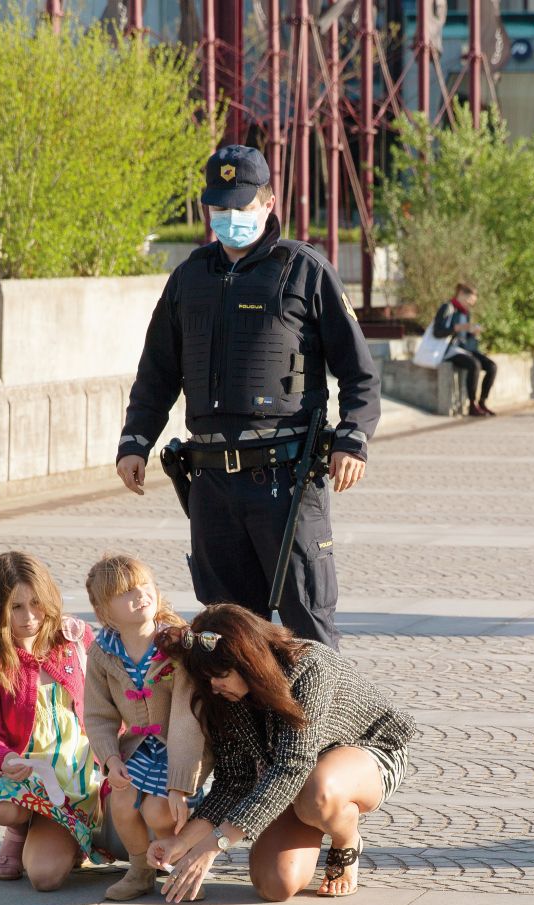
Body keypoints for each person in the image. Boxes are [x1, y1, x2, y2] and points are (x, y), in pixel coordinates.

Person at [115, 145, 381, 649]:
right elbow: (156, 374)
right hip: (212, 483)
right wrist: (135, 441)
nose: (230, 217)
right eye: (220, 208)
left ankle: (324, 727)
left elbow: (360, 373)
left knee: (308, 625)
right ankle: (241, 731)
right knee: (226, 634)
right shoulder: (189, 278)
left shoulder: (304, 270)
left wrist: (353, 438)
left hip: (285, 479)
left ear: (268, 202)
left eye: (241, 206)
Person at [148, 604, 416, 902]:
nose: (213, 686)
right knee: (275, 884)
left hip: (367, 752)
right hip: (292, 778)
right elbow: (234, 780)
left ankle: (345, 839)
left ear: (248, 661)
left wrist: (214, 845)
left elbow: (293, 766)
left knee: (319, 792)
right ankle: (314, 817)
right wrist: (181, 842)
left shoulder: (308, 666)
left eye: (220, 675)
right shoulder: (224, 694)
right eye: (207, 678)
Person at [0, 551, 107, 892]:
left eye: (36, 602)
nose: (29, 616)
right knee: (5, 811)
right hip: (34, 783)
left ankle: (73, 835)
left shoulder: (75, 638)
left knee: (45, 876)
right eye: (15, 607)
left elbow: (110, 703)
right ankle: (23, 831)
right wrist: (6, 759)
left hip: (84, 777)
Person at [82, 553, 210, 901]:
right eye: (125, 592)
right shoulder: (103, 654)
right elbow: (98, 716)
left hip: (185, 745)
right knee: (121, 801)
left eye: (143, 585)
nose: (140, 595)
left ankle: (181, 865)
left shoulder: (176, 645)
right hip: (139, 746)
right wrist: (110, 759)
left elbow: (190, 716)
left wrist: (180, 784)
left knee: (157, 809)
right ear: (105, 612)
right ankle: (140, 870)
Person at [430, 283, 497, 416]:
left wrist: (472, 332)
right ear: (461, 294)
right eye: (469, 300)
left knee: (491, 366)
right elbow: (437, 332)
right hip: (449, 350)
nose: (471, 304)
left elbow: (464, 336)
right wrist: (457, 328)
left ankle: (482, 402)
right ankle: (472, 405)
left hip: (464, 349)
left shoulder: (465, 312)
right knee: (474, 365)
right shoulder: (447, 308)